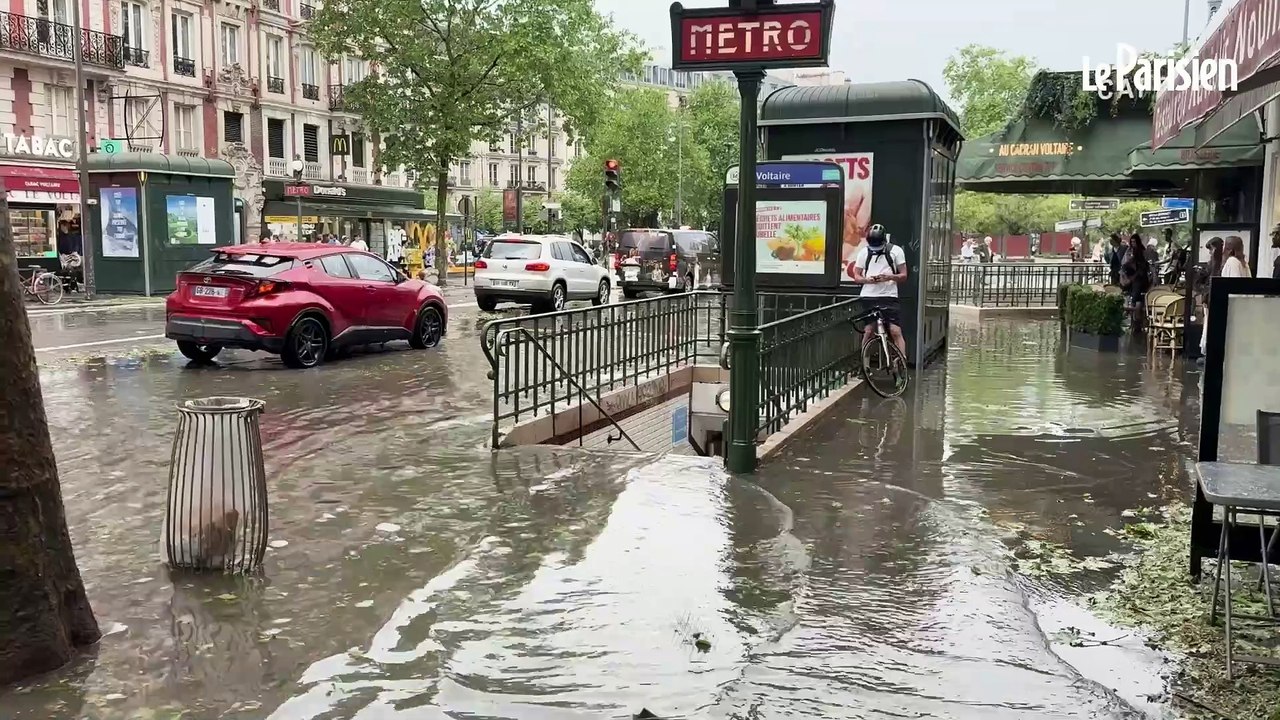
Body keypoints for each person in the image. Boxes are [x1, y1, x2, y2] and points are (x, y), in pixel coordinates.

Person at [849, 224, 908, 362]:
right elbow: (856, 276)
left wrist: (889, 277)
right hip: (869, 296)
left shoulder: (896, 251)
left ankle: (901, 362)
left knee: (895, 331)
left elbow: (904, 275)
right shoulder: (864, 252)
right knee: (868, 331)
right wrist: (867, 280)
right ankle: (863, 363)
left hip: (889, 296)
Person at [1120, 233, 1152, 331]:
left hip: (1140, 279)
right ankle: (1134, 319)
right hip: (1132, 279)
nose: (1133, 243)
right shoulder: (1130, 251)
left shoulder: (1141, 252)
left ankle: (1134, 316)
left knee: (1136, 298)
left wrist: (1132, 277)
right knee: (1136, 297)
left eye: (1134, 242)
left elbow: (1142, 268)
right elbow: (1125, 264)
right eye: (1132, 242)